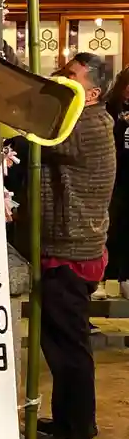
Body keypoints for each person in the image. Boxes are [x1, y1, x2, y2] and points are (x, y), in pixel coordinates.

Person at [35, 53, 116, 439]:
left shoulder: (82, 124)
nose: (60, 80)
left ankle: (77, 431)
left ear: (94, 93)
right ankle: (71, 419)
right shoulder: (87, 119)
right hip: (74, 246)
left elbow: (32, 133)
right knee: (62, 344)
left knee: (68, 349)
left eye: (70, 77)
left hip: (71, 251)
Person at [92, 67, 129, 300]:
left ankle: (124, 277)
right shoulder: (109, 110)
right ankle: (102, 279)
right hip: (114, 178)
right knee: (110, 228)